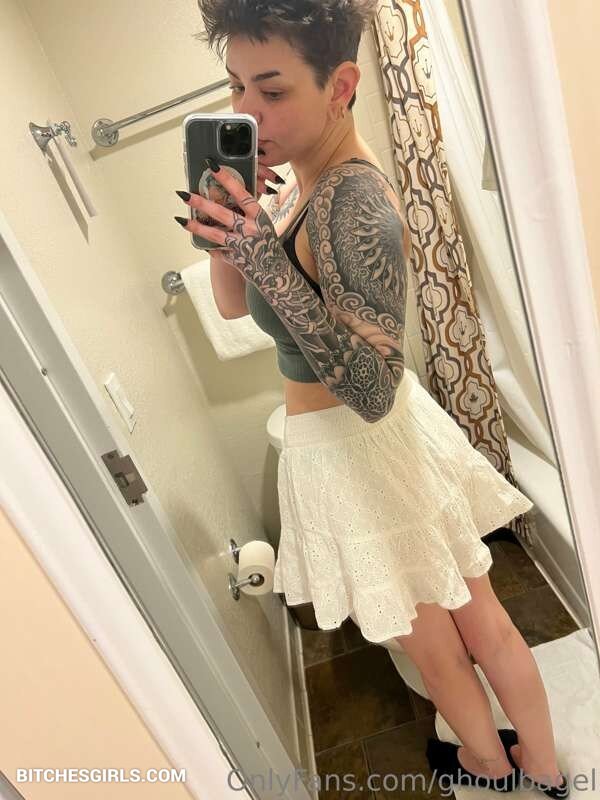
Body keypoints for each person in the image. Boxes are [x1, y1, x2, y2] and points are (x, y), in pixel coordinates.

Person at [174, 1, 569, 795]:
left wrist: (266, 258)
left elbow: (373, 387)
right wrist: (226, 234)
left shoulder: (352, 200)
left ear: (341, 86)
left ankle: (501, 766)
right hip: (353, 452)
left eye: (272, 90)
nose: (247, 111)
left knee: (454, 639)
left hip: (364, 448)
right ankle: (533, 766)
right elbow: (231, 306)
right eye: (237, 86)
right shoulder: (298, 182)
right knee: (464, 624)